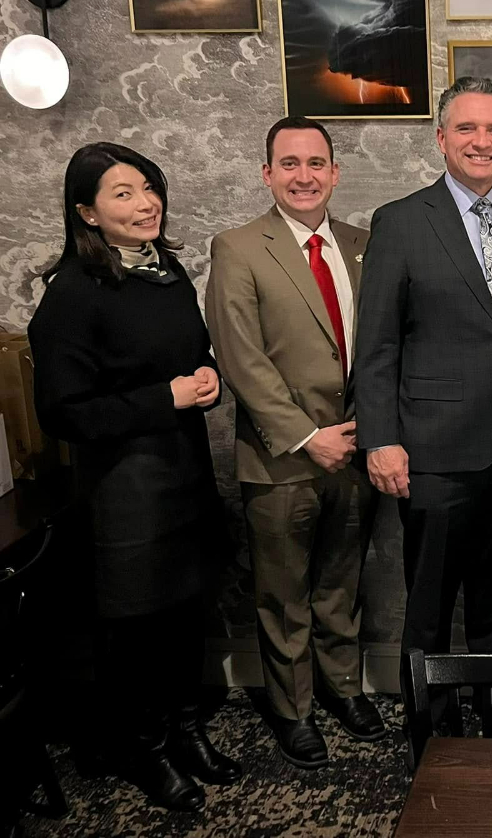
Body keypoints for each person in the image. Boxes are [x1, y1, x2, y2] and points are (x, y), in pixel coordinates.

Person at [29, 143, 240, 812]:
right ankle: (144, 748)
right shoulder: (71, 293)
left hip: (184, 474)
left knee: (185, 614)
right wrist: (164, 399)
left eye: (148, 187)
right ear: (87, 213)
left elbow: (186, 354)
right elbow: (63, 411)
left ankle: (186, 729)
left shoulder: (164, 270)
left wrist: (206, 375)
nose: (146, 203)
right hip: (125, 490)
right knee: (136, 631)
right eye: (123, 193)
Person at [353, 77, 492, 733]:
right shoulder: (401, 221)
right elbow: (377, 342)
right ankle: (430, 728)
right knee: (430, 606)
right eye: (467, 128)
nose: (482, 140)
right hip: (431, 447)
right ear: (441, 138)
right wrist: (380, 437)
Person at [205, 117, 384, 769]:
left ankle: (343, 690)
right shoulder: (237, 247)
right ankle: (294, 710)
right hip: (280, 458)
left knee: (341, 585)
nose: (303, 176)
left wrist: (366, 430)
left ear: (335, 172)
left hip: (355, 451)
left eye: (315, 163)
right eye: (289, 163)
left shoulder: (365, 244)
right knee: (284, 598)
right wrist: (308, 437)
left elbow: (383, 345)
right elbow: (240, 357)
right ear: (267, 173)